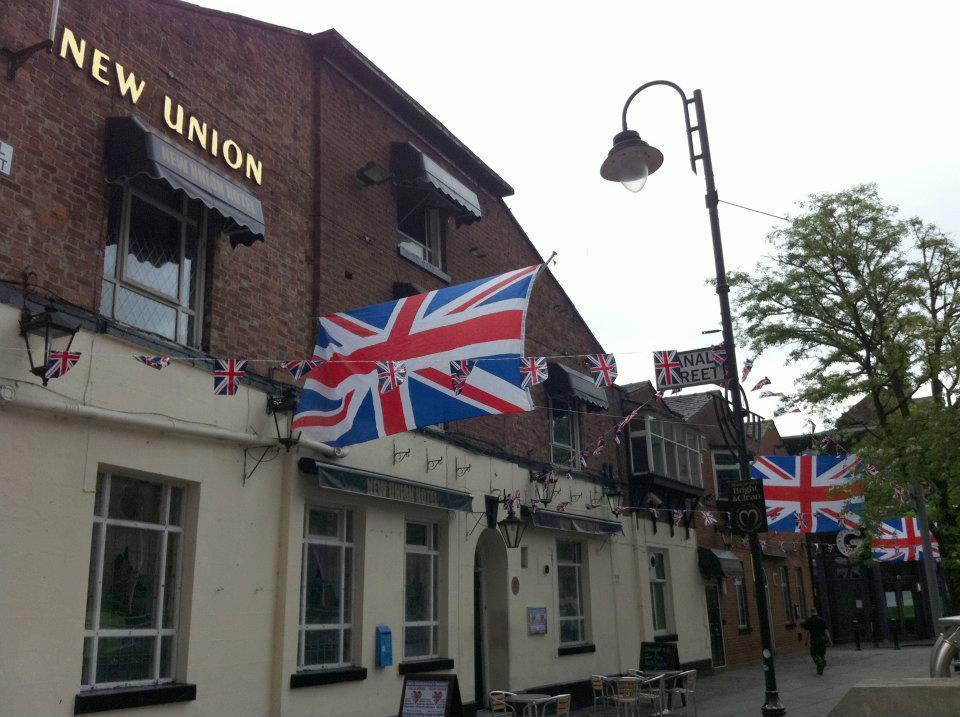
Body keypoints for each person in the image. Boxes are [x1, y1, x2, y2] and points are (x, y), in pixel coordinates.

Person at [801, 608, 832, 675]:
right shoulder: (822, 620)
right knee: (821, 653)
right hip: (822, 639)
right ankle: (820, 669)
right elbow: (826, 631)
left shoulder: (809, 621)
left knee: (814, 653)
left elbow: (807, 632)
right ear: (816, 612)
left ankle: (820, 662)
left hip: (814, 639)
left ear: (811, 612)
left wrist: (806, 641)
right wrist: (829, 640)